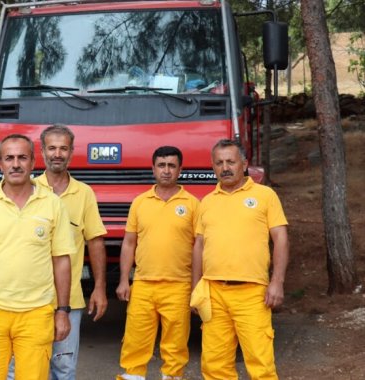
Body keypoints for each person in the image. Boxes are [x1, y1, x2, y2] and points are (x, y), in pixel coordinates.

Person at [0, 133, 75, 380]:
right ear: (0, 164)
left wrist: (62, 311)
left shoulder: (52, 204)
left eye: (22, 157)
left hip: (37, 313)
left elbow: (61, 260)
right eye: (9, 158)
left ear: (33, 162)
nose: (16, 164)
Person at [7, 124, 108, 380]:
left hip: (69, 300)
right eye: (51, 148)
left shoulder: (84, 194)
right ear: (41, 152)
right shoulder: (27, 190)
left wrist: (99, 288)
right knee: (21, 369)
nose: (57, 154)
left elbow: (95, 242)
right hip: (28, 301)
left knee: (63, 370)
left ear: (72, 152)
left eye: (63, 148)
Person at [192, 139, 289, 380]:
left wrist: (277, 281)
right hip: (213, 293)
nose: (225, 167)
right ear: (213, 167)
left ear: (244, 164)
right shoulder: (207, 202)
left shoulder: (265, 195)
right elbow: (199, 246)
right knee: (215, 365)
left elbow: (281, 239)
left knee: (260, 364)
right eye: (219, 163)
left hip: (253, 293)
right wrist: (195, 288)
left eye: (231, 162)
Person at [116, 146, 199, 380]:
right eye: (161, 165)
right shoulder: (140, 202)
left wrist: (196, 286)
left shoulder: (193, 204)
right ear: (153, 168)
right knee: (135, 343)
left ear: (180, 169)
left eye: (171, 166)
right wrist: (124, 280)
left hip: (179, 286)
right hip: (142, 285)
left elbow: (199, 248)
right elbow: (129, 243)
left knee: (175, 348)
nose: (166, 171)